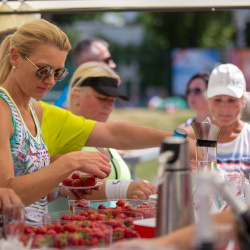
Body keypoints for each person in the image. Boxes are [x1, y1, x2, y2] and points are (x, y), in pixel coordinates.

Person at [0, 19, 112, 224]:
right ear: (15, 56)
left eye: (58, 73)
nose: (51, 80)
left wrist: (61, 190)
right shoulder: (2, 110)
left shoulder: (36, 110)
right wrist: (70, 162)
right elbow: (8, 195)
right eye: (43, 70)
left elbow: (31, 195)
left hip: (32, 238)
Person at [184, 63, 250, 168]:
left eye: (232, 100)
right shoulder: (192, 137)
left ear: (243, 101)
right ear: (208, 100)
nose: (224, 107)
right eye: (217, 100)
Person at [55, 37, 116, 108]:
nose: (113, 65)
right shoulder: (72, 97)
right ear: (87, 64)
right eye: (107, 60)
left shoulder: (76, 92)